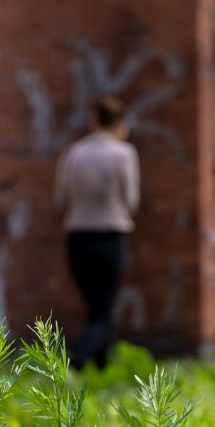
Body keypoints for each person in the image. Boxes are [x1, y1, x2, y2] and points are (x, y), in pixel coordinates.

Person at [54, 95, 140, 370]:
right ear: (121, 123)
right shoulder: (124, 153)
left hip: (77, 240)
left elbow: (60, 199)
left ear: (93, 121)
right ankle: (75, 365)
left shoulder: (74, 152)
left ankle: (102, 368)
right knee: (101, 312)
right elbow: (132, 201)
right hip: (110, 239)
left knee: (97, 308)